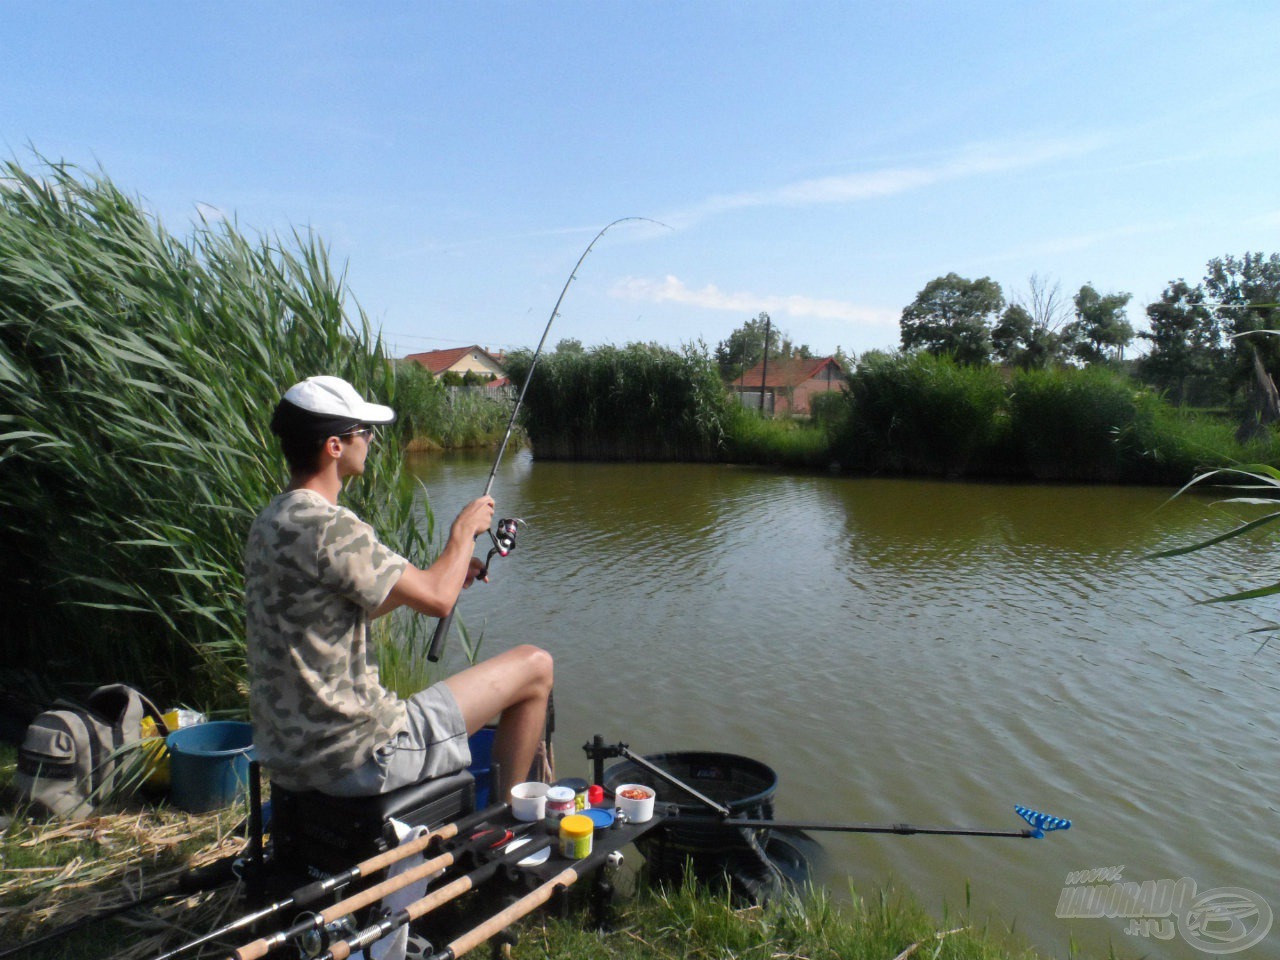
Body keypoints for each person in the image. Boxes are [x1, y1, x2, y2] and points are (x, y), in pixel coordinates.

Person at [244, 374, 553, 800]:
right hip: (362, 756)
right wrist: (463, 532)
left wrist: (446, 572)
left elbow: (330, 612)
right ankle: (504, 825)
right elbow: (439, 600)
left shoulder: (271, 521)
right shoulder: (330, 525)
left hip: (288, 757)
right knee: (535, 666)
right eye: (364, 433)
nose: (370, 441)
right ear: (335, 446)